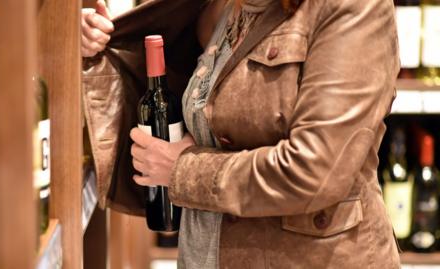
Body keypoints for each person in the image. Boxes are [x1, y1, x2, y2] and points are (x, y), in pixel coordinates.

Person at [82, 0, 401, 268]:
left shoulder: (354, 7)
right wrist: (96, 40)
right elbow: (181, 94)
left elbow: (314, 171)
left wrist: (183, 170)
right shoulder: (224, 7)